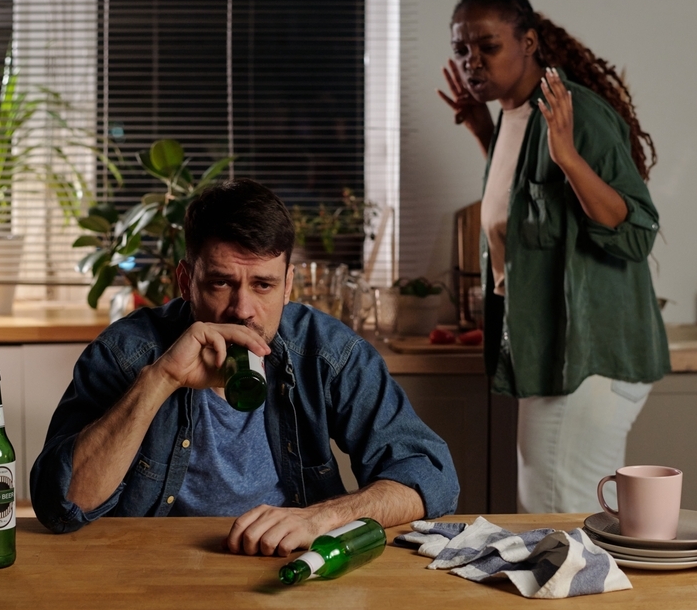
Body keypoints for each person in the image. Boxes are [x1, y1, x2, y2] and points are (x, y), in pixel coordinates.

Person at [30, 179, 459, 555]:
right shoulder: (125, 353)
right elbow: (63, 507)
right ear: (185, 281)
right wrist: (161, 380)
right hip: (148, 571)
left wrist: (320, 519)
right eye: (221, 282)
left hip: (288, 568)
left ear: (288, 284)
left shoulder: (327, 353)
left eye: (264, 285)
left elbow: (430, 477)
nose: (243, 309)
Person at [438, 0, 670, 513]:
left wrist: (568, 156)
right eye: (461, 50)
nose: (472, 62)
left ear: (529, 41)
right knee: (559, 517)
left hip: (588, 359)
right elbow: (526, 212)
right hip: (556, 355)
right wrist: (482, 132)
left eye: (487, 46)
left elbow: (636, 231)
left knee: (557, 520)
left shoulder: (574, 115)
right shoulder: (511, 116)